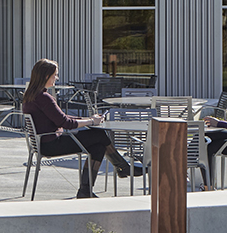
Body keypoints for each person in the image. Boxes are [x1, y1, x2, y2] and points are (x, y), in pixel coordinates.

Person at [22, 58, 141, 199]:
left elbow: (61, 117)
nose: (57, 78)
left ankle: (86, 190)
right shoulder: (43, 98)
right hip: (51, 144)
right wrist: (91, 121)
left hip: (44, 143)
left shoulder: (31, 95)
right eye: (55, 75)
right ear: (46, 76)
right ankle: (122, 166)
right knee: (99, 135)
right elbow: (65, 123)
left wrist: (88, 120)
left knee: (98, 147)